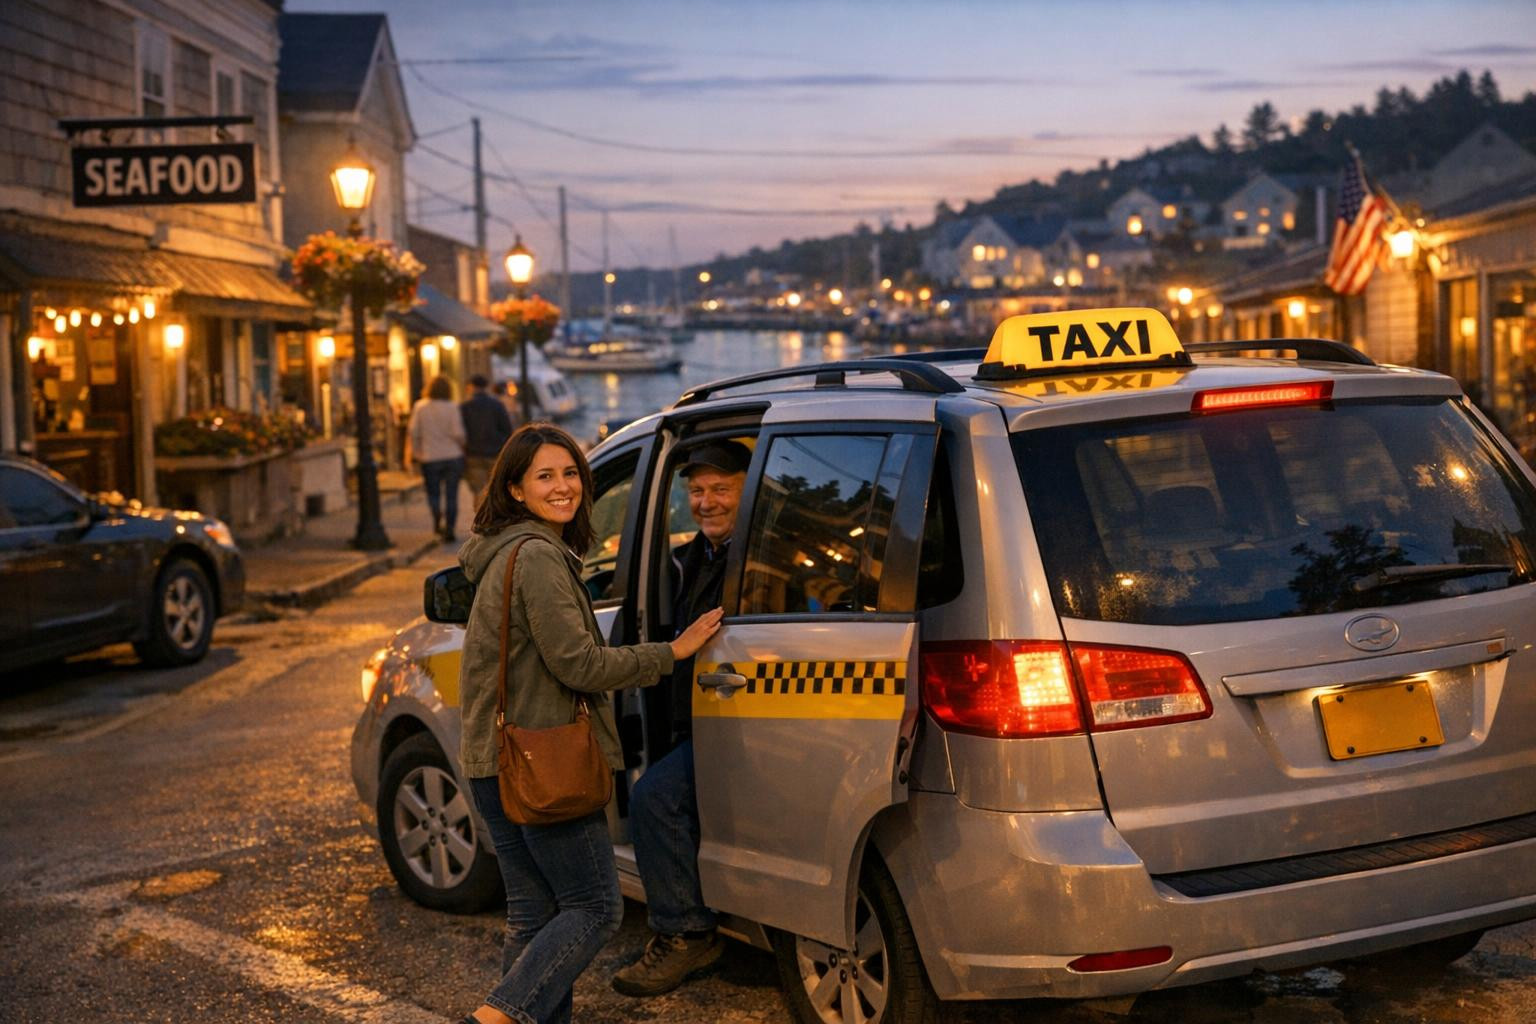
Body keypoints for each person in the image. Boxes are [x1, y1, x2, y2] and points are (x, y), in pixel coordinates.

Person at [455, 423, 724, 1024]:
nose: (563, 486)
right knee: (595, 907)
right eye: (545, 476)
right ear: (516, 490)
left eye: (571, 472)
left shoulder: (500, 552)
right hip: (541, 761)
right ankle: (499, 1014)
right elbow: (577, 663)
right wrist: (671, 653)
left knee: (534, 913)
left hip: (492, 759)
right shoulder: (539, 559)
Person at [612, 439, 750, 998]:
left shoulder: (754, 553)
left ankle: (686, 932)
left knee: (654, 798)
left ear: (750, 488)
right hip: (704, 716)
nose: (706, 501)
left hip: (743, 719)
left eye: (721, 489)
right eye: (696, 490)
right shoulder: (697, 553)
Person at [407, 374, 467, 542]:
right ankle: (450, 528)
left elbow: (413, 432)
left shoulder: (420, 407)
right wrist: (462, 446)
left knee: (433, 493)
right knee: (451, 495)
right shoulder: (452, 407)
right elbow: (459, 434)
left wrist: (416, 453)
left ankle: (436, 519)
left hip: (430, 456)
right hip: (452, 456)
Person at [461, 374, 513, 503]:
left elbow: (461, 431)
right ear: (486, 387)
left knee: (479, 491)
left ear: (471, 387)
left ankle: (481, 518)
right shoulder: (497, 405)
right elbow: (507, 429)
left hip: (473, 454)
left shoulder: (465, 407)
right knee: (495, 489)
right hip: (495, 453)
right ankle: (493, 518)